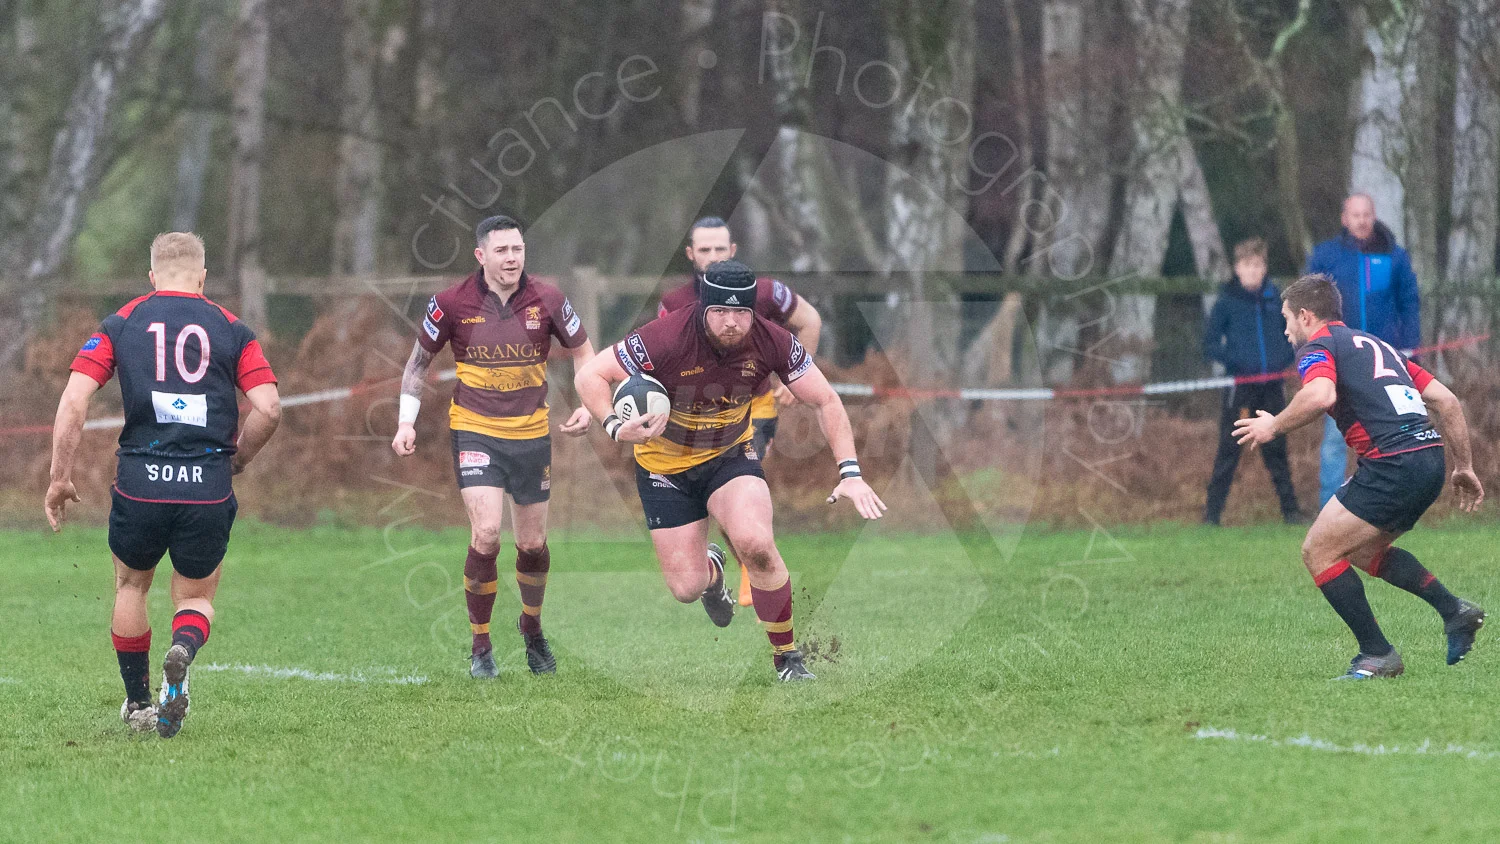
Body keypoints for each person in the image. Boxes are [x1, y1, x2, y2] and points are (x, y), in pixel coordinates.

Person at [575, 260, 885, 681]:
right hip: (663, 467)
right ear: (704, 308)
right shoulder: (666, 337)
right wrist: (614, 425)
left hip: (729, 456)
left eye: (742, 312)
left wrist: (850, 471)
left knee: (756, 542)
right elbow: (591, 375)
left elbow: (826, 400)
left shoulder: (771, 340)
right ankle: (714, 569)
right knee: (686, 588)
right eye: (721, 311)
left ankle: (788, 657)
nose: (733, 322)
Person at [45, 232, 281, 737]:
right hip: (207, 484)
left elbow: (73, 401)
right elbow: (269, 408)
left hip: (140, 482)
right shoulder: (231, 328)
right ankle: (184, 652)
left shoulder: (121, 323)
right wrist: (239, 457)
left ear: (152, 277)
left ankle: (139, 704)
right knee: (194, 598)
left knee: (131, 584)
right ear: (202, 277)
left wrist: (59, 476)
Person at [1234, 274, 1484, 679]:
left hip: (1393, 463)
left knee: (1318, 552)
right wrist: (1464, 466)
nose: (1285, 330)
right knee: (1364, 551)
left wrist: (1274, 426)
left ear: (1305, 315)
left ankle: (1376, 654)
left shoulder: (1319, 346)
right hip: (1428, 460)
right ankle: (1454, 611)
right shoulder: (1377, 346)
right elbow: (1447, 401)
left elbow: (1320, 395)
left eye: (1286, 320)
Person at [392, 215, 594, 679]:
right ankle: (481, 645)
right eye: (502, 251)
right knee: (486, 535)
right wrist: (406, 423)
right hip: (475, 430)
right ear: (481, 256)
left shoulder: (548, 298)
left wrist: (588, 403)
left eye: (518, 250)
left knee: (532, 544)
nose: (512, 259)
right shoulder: (450, 303)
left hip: (531, 434)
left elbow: (584, 352)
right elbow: (417, 363)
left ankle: (532, 627)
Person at [659, 216, 824, 605]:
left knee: (734, 481)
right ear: (690, 254)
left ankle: (751, 563)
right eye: (705, 250)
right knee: (712, 495)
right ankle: (718, 566)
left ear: (733, 251)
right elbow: (664, 362)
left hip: (756, 408)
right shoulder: (673, 304)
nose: (713, 256)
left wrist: (793, 378)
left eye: (720, 249)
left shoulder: (765, 292)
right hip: (697, 418)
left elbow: (811, 320)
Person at [1305, 194, 1421, 507]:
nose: (1361, 220)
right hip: (1340, 360)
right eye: (1355, 215)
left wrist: (1411, 348)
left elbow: (1409, 303)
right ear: (1344, 218)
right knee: (1334, 440)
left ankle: (1392, 502)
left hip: (1384, 362)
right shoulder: (1326, 256)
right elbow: (1307, 305)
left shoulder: (1394, 256)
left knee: (1392, 434)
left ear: (1373, 216)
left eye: (1366, 214)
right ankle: (1330, 507)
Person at [1201, 237, 1300, 525]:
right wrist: (1235, 361)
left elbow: (1291, 336)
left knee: (1276, 449)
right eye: (1247, 265)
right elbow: (1209, 344)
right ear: (1237, 269)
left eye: (1257, 265)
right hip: (1240, 387)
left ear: (1264, 267)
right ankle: (1212, 515)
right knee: (1229, 448)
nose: (1253, 271)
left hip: (1271, 385)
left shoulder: (1276, 299)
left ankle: (1291, 512)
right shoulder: (1226, 302)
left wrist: (1282, 360)